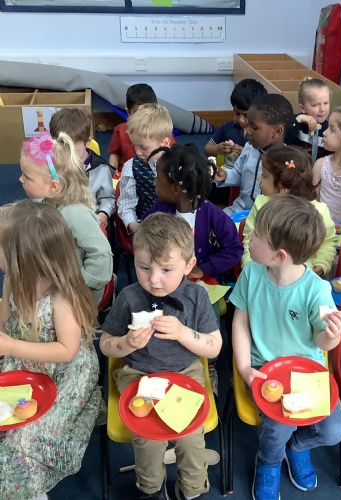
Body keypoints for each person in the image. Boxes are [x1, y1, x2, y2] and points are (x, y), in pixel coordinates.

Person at [231, 195, 341, 500]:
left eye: (256, 235)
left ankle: (295, 448)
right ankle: (268, 462)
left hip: (307, 371)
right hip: (264, 367)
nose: (249, 236)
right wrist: (244, 367)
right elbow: (240, 323)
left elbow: (322, 341)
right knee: (278, 427)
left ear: (279, 255)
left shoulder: (317, 289)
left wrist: (333, 336)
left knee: (334, 431)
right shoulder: (251, 274)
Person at [100, 212, 222, 500]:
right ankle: (151, 488)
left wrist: (183, 333)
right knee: (148, 437)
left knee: (190, 435)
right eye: (144, 268)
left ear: (188, 265)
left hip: (185, 373)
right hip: (138, 374)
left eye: (166, 269)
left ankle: (192, 489)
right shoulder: (129, 296)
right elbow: (105, 345)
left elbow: (214, 346)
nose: (154, 280)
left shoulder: (196, 296)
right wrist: (127, 343)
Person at [0, 199, 103, 500]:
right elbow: (5, 319)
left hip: (63, 373)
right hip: (24, 361)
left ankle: (31, 490)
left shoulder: (61, 296)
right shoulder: (12, 279)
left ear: (26, 257)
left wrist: (10, 345)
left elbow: (67, 350)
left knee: (29, 436)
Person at [19, 133, 113, 305]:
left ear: (53, 186)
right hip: (54, 279)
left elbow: (102, 256)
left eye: (27, 176)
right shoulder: (42, 202)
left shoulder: (76, 214)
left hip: (75, 294)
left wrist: (76, 285)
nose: (20, 179)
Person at [141, 143, 243, 284]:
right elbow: (140, 237)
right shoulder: (158, 210)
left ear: (176, 189)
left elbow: (234, 249)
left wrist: (203, 269)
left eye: (158, 178)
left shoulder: (213, 215)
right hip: (163, 278)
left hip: (202, 281)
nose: (154, 182)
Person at [241, 145, 337, 277]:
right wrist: (249, 265)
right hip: (261, 274)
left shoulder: (318, 212)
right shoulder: (261, 203)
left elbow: (327, 242)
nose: (259, 178)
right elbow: (249, 238)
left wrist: (322, 263)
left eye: (264, 175)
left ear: (283, 188)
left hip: (303, 277)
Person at [214, 93, 294, 215]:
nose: (247, 131)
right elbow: (238, 173)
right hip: (238, 211)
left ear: (277, 131)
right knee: (211, 220)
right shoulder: (248, 148)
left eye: (254, 127)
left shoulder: (287, 161)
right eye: (248, 125)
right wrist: (225, 176)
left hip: (266, 218)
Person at [49, 107, 115, 228]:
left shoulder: (101, 168)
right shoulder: (49, 165)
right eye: (61, 144)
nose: (67, 153)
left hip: (90, 221)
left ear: (87, 142)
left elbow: (107, 198)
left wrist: (103, 214)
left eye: (73, 146)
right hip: (59, 223)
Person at [117, 103, 173, 234]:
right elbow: (127, 204)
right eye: (134, 145)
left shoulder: (180, 163)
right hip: (146, 229)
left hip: (177, 228)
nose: (137, 152)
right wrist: (133, 225)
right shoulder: (131, 167)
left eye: (143, 147)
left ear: (165, 143)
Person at [204, 78, 267, 168]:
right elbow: (207, 149)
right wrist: (217, 149)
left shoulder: (264, 134)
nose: (240, 119)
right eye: (237, 113)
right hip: (227, 173)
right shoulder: (227, 127)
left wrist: (246, 155)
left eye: (246, 115)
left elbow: (268, 163)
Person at [108, 83, 161, 172]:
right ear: (128, 112)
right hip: (126, 174)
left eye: (146, 112)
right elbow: (115, 154)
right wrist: (112, 170)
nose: (142, 117)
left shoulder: (162, 131)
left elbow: (171, 155)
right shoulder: (120, 130)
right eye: (137, 112)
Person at [284, 77, 331, 162]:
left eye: (326, 103)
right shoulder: (295, 122)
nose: (322, 109)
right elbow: (285, 143)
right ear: (302, 108)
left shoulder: (329, 129)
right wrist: (297, 121)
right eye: (315, 105)